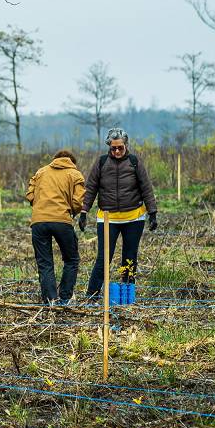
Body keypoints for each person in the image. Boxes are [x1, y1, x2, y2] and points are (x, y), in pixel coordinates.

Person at [81, 128, 157, 298]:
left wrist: (152, 212)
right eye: (113, 148)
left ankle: (126, 295)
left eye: (120, 148)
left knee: (129, 258)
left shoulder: (134, 161)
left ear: (125, 145)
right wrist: (84, 211)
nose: (116, 151)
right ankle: (91, 295)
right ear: (109, 146)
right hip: (108, 219)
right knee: (103, 258)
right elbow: (91, 187)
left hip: (134, 217)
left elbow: (146, 187)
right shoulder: (101, 163)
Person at [26, 149, 86, 304]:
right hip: (62, 221)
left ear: (55, 159)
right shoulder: (75, 174)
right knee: (71, 259)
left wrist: (39, 206)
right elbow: (78, 202)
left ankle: (50, 300)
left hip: (39, 222)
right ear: (72, 161)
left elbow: (30, 194)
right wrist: (72, 211)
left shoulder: (41, 172)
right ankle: (65, 298)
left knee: (45, 262)